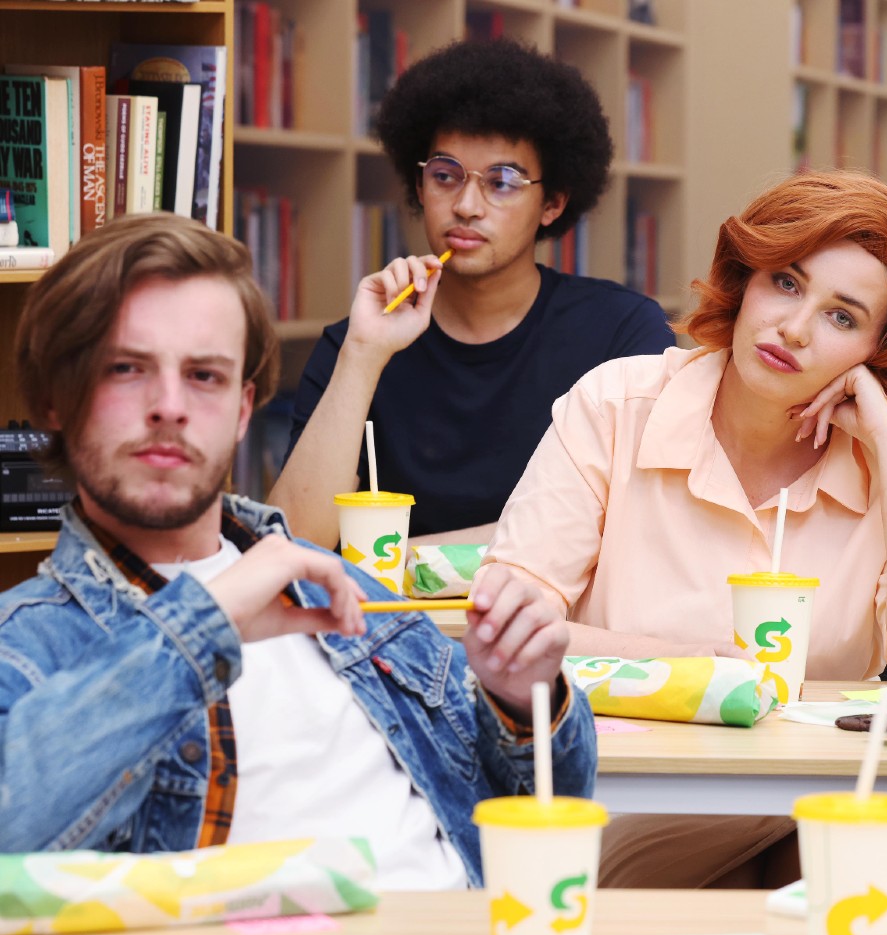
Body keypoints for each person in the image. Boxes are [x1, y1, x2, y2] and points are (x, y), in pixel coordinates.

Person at [0, 214, 596, 892]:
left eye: (204, 376)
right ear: (52, 400)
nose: (169, 406)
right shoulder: (26, 642)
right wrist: (204, 622)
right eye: (127, 368)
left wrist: (524, 703)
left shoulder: (346, 592)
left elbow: (547, 809)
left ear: (243, 408)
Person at [482, 171, 887, 886]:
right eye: (786, 282)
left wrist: (883, 430)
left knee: (873, 868)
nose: (794, 327)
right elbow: (508, 619)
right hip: (614, 813)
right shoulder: (617, 407)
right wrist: (691, 660)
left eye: (842, 318)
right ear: (746, 277)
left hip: (794, 811)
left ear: (875, 353)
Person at [272, 38, 671, 547]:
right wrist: (363, 356)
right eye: (445, 175)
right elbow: (294, 545)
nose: (465, 205)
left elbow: (636, 525)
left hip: (554, 625)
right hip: (390, 626)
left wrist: (408, 561)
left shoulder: (620, 333)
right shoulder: (356, 343)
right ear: (419, 187)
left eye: (501, 181)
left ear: (552, 202)